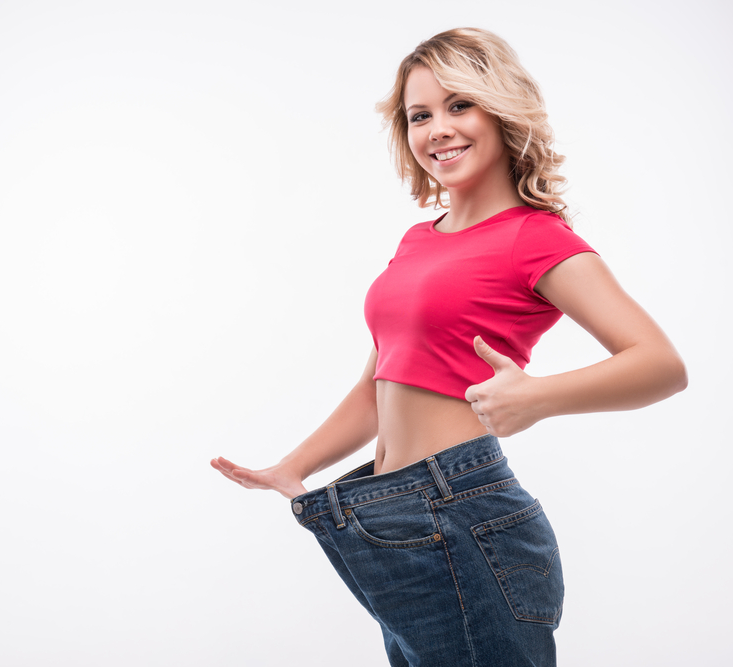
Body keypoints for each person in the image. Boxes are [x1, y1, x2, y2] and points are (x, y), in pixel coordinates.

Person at [211, 27, 687, 667]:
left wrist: (539, 398)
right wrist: (292, 467)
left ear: (501, 109)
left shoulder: (535, 237)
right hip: (388, 514)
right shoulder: (418, 240)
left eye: (459, 105)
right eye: (419, 115)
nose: (438, 128)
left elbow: (660, 364)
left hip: (464, 515)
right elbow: (379, 386)